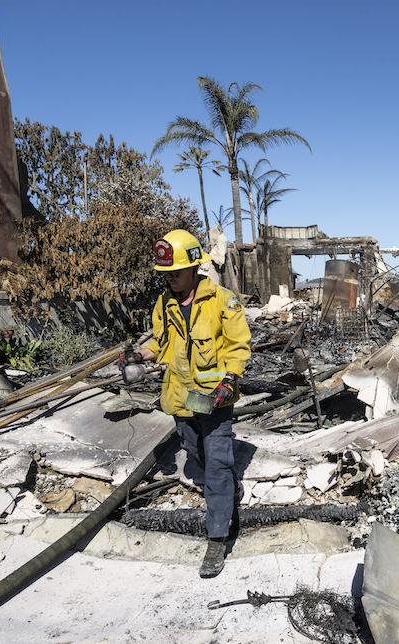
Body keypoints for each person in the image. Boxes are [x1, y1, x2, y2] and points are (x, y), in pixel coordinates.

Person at [119, 229, 251, 578]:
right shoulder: (163, 305)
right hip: (181, 399)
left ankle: (218, 538)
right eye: (165, 274)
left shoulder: (223, 301)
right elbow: (162, 346)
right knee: (198, 457)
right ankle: (229, 488)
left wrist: (230, 379)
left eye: (174, 273)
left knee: (218, 465)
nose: (169, 279)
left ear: (194, 268)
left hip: (214, 398)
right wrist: (139, 355)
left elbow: (239, 348)